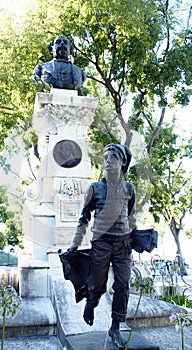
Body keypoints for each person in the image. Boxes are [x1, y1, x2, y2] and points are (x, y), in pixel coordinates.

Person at [68, 143, 136, 348]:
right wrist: (75, 243)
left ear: (122, 161)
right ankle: (91, 302)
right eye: (105, 158)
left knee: (123, 285)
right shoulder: (95, 188)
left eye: (113, 158)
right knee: (97, 285)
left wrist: (137, 237)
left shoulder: (129, 189)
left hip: (123, 245)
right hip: (101, 244)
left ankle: (115, 327)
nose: (108, 162)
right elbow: (83, 218)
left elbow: (131, 218)